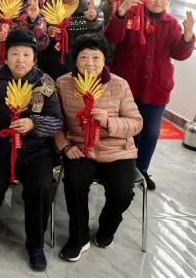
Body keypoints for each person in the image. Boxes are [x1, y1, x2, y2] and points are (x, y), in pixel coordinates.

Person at [0, 30, 63, 272]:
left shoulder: (45, 82)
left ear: (34, 58)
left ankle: (35, 244)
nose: (20, 59)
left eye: (26, 54)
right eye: (15, 54)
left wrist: (33, 123)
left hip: (35, 150)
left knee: (42, 186)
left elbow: (56, 122)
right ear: (6, 56)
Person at [55, 34, 143, 262]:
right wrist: (65, 146)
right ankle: (79, 237)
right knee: (75, 184)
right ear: (75, 60)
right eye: (83, 57)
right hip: (80, 147)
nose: (90, 63)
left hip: (117, 149)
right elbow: (55, 123)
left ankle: (107, 228)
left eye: (96, 57)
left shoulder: (119, 84)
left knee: (123, 192)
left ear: (105, 60)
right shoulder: (63, 83)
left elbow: (136, 123)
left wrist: (108, 122)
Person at [104, 0, 194, 190]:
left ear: (168, 0)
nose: (158, 1)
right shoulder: (132, 15)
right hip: (127, 86)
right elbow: (113, 37)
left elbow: (179, 54)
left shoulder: (171, 24)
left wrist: (188, 35)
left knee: (151, 132)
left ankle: (141, 169)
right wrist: (121, 12)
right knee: (125, 130)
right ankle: (120, 167)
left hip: (156, 88)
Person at [38, 0, 104, 80]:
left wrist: (92, 21)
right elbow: (39, 41)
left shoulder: (92, 11)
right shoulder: (47, 10)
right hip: (50, 71)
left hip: (82, 72)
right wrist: (47, 32)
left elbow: (100, 39)